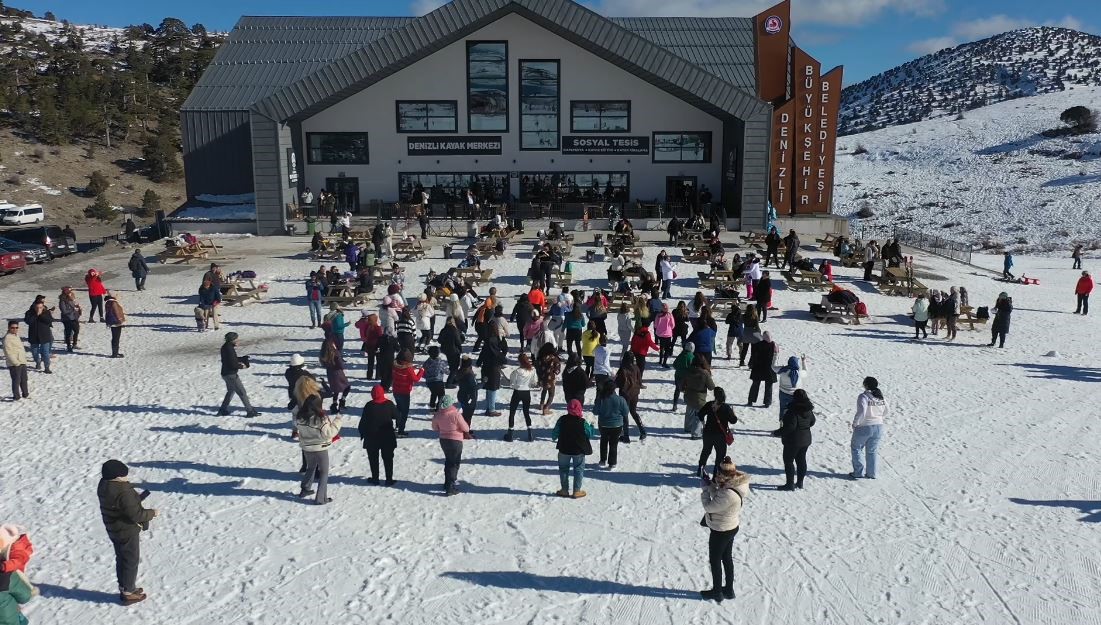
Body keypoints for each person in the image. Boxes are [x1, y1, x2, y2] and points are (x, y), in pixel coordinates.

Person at [97, 459, 157, 605]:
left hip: (114, 528)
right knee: (130, 560)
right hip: (126, 530)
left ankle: (126, 587)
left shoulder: (104, 485)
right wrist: (152, 513)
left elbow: (120, 505)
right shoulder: (123, 491)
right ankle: (128, 593)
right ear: (117, 477)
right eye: (124, 476)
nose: (126, 478)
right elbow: (136, 514)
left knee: (122, 558)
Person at [699, 457, 749, 603]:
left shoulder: (729, 493)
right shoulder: (737, 484)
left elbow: (710, 506)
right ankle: (728, 589)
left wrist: (704, 491)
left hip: (721, 530)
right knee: (726, 558)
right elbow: (720, 499)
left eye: (719, 474)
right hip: (731, 526)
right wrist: (711, 486)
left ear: (725, 475)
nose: (717, 476)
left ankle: (717, 592)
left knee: (715, 560)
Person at [295, 376, 341, 505]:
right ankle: (321, 498)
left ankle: (305, 489)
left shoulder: (300, 418)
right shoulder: (321, 419)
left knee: (311, 468)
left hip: (307, 448)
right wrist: (338, 420)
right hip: (320, 448)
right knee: (324, 472)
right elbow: (329, 433)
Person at [773, 389, 816, 490]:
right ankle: (800, 482)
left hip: (793, 441)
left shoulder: (792, 411)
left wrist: (777, 432)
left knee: (788, 461)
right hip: (806, 439)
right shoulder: (809, 409)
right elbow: (812, 421)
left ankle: (790, 484)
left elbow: (790, 427)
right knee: (801, 460)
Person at [552, 399, 595, 498]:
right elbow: (589, 434)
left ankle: (564, 490)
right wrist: (592, 426)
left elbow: (555, 433)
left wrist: (555, 436)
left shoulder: (562, 419)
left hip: (563, 449)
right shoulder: (582, 422)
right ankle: (577, 491)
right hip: (578, 451)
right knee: (578, 470)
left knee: (563, 469)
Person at [359, 385, 398, 486]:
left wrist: (362, 433)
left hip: (371, 437)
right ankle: (389, 479)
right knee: (388, 458)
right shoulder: (389, 404)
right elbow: (398, 416)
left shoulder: (369, 405)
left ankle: (375, 478)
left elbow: (363, 421)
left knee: (373, 458)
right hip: (387, 437)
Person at [850, 376, 888, 479]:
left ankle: (858, 472)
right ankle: (872, 473)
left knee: (856, 448)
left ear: (866, 385)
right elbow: (887, 410)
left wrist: (855, 423)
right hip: (879, 426)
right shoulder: (881, 397)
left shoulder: (863, 396)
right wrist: (879, 418)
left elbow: (861, 411)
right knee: (872, 451)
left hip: (865, 426)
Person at [432, 395, 470, 496]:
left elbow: (434, 428)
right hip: (455, 441)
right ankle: (450, 486)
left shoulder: (438, 415)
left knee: (448, 460)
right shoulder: (455, 414)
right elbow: (466, 428)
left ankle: (447, 482)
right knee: (454, 463)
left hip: (443, 440)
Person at [697, 387, 737, 477]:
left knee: (706, 451)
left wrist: (703, 422)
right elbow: (733, 421)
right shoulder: (726, 407)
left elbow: (700, 414)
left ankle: (700, 467)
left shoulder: (709, 405)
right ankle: (716, 472)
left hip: (708, 433)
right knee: (720, 454)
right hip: (720, 435)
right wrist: (733, 414)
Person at [218, 332, 258, 418]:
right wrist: (243, 366)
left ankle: (222, 409)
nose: (238, 340)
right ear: (232, 340)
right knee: (242, 392)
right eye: (236, 339)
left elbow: (231, 359)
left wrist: (242, 358)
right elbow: (232, 364)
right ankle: (250, 411)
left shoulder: (226, 347)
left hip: (226, 373)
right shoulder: (229, 349)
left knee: (231, 391)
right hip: (230, 375)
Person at [505, 352, 539, 441]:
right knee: (526, 412)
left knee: (512, 412)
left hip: (517, 393)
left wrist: (512, 383)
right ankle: (530, 433)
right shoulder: (532, 370)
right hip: (526, 393)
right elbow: (534, 382)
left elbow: (512, 384)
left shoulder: (516, 372)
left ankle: (510, 434)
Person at [391, 350, 424, 437]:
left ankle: (397, 426)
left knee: (399, 409)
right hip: (404, 392)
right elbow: (416, 379)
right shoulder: (408, 369)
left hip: (396, 391)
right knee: (404, 412)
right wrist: (421, 371)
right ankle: (401, 431)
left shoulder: (394, 365)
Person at [615, 352, 646, 442]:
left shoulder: (623, 369)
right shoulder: (636, 368)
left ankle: (626, 435)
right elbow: (640, 381)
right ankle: (642, 431)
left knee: (625, 414)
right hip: (635, 394)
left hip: (625, 394)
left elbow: (618, 383)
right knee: (633, 412)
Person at [683, 358, 715, 439]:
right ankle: (696, 434)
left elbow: (683, 382)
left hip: (688, 395)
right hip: (699, 398)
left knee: (689, 411)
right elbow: (711, 387)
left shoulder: (688, 371)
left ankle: (688, 428)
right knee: (699, 415)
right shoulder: (705, 373)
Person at [320, 337, 350, 413]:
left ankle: (334, 405)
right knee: (347, 387)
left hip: (330, 373)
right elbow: (340, 363)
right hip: (338, 373)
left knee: (336, 389)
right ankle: (342, 402)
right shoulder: (335, 352)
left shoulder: (323, 353)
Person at [747, 331, 777, 407]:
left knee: (755, 385)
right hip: (769, 368)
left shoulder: (758, 345)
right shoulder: (774, 345)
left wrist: (751, 364)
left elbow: (753, 356)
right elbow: (776, 357)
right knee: (769, 386)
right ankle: (767, 402)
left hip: (758, 367)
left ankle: (750, 401)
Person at [24, 300, 54, 374]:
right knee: (34, 352)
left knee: (45, 352)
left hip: (44, 336)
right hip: (33, 336)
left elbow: (49, 321)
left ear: (43, 306)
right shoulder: (29, 313)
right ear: (34, 307)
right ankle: (38, 361)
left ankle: (47, 367)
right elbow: (28, 321)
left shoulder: (46, 312)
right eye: (37, 307)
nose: (38, 309)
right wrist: (36, 315)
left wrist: (41, 315)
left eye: (40, 307)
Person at [3, 321, 29, 401]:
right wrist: (16, 363)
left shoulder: (16, 335)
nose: (15, 329)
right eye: (12, 327)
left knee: (24, 379)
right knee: (16, 380)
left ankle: (25, 394)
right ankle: (16, 396)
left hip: (22, 361)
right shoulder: (7, 338)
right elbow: (8, 352)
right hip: (14, 363)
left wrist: (23, 359)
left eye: (16, 327)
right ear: (9, 328)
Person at [775, 354, 807, 420]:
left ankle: (782, 422)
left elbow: (773, 367)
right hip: (795, 395)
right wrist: (803, 361)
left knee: (783, 408)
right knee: (793, 410)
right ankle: (791, 424)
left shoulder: (782, 370)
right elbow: (805, 370)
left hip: (783, 393)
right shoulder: (799, 373)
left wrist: (775, 356)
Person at [536, 342, 562, 415]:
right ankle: (546, 408)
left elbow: (537, 367)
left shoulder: (540, 357)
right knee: (551, 394)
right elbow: (557, 371)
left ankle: (541, 404)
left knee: (544, 390)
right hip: (550, 379)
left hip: (542, 378)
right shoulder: (554, 358)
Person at [423, 345, 449, 410]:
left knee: (434, 393)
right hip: (438, 382)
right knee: (441, 395)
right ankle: (438, 408)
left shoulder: (427, 362)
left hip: (429, 382)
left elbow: (424, 369)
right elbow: (447, 372)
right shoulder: (440, 362)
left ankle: (432, 407)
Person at [671, 341, 695, 410]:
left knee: (677, 390)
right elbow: (692, 368)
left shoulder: (680, 355)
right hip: (686, 378)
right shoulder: (692, 357)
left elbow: (674, 364)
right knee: (688, 391)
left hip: (677, 375)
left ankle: (674, 405)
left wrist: (679, 369)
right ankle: (689, 405)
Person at [58, 286, 82, 352]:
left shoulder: (71, 299)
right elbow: (64, 311)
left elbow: (73, 307)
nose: (71, 294)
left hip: (74, 317)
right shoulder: (62, 301)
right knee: (68, 332)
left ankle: (74, 344)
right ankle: (69, 346)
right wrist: (73, 309)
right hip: (67, 319)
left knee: (76, 330)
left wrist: (78, 307)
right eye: (69, 292)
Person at [104, 293, 127, 359]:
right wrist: (120, 320)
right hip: (116, 322)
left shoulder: (108, 302)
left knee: (114, 338)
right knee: (116, 338)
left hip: (111, 322)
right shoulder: (114, 303)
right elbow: (116, 312)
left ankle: (115, 352)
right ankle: (115, 353)